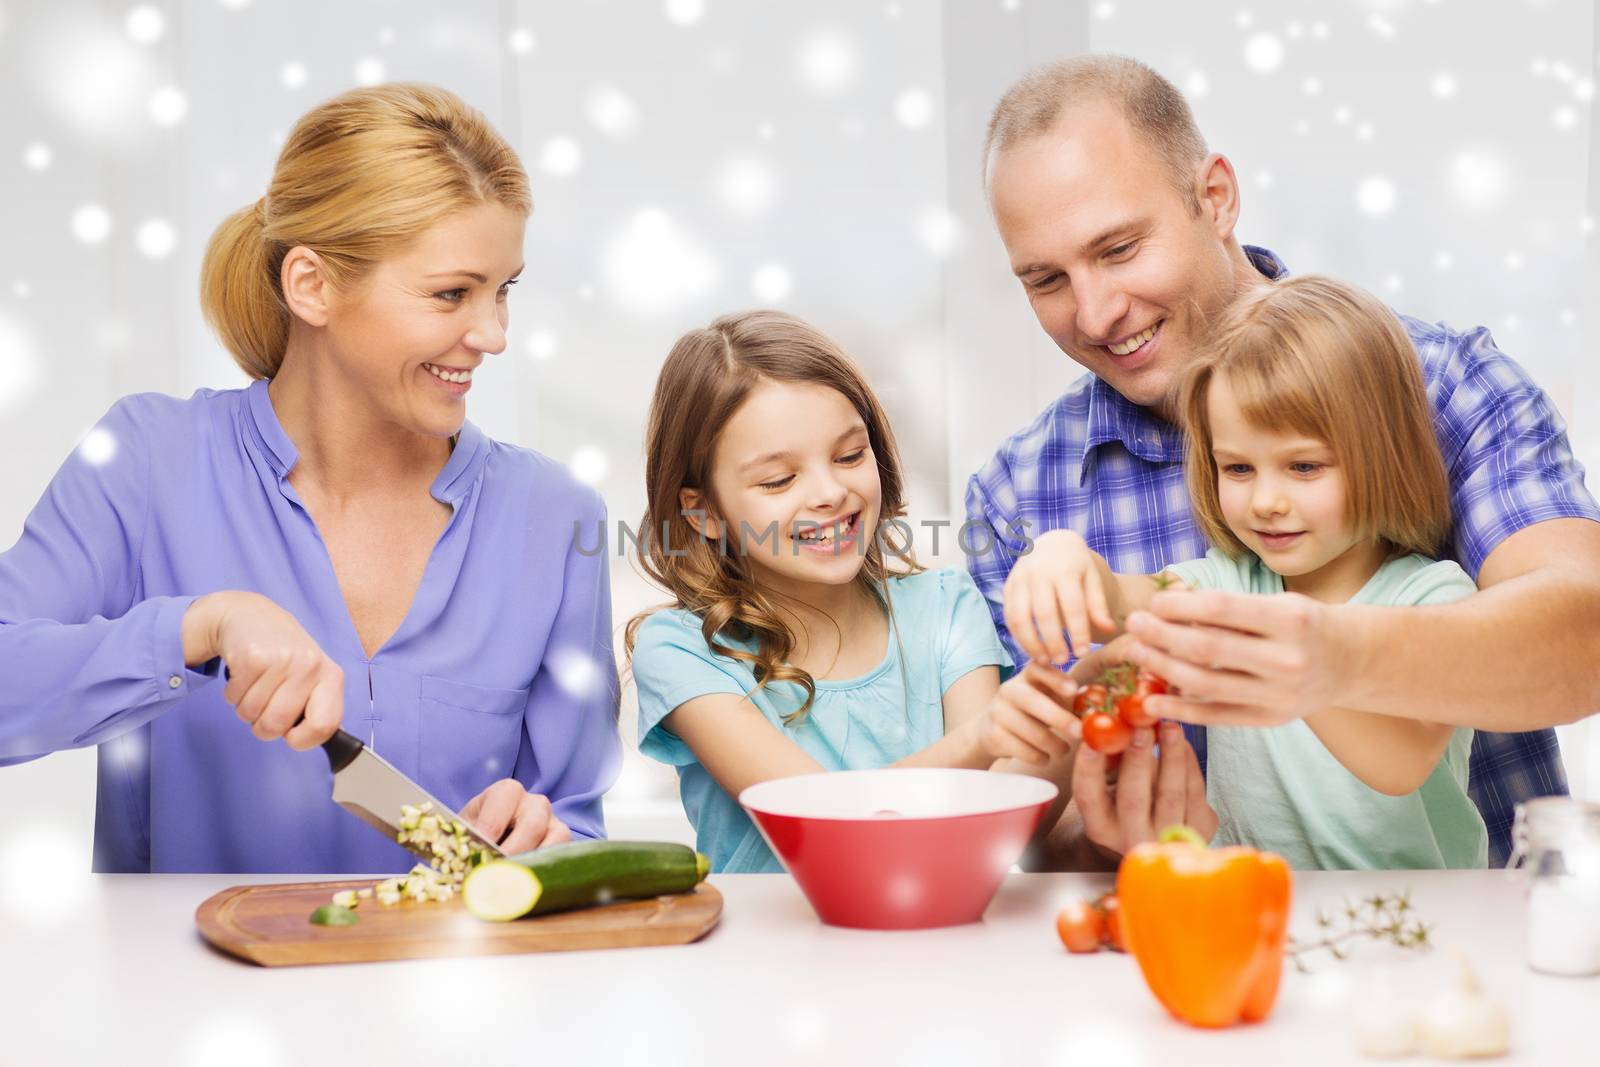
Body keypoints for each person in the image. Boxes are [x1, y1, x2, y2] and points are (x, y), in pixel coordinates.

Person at [966, 55, 1600, 867]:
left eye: (1120, 248)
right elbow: (1016, 830)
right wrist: (1104, 842)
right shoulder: (1018, 492)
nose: (1095, 313)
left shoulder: (1440, 384)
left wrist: (1335, 657)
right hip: (1213, 936)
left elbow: (1584, 640)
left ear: (1216, 197)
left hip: (1472, 943)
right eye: (1046, 279)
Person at [0, 84, 620, 872]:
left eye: (505, 292)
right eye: (451, 294)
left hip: (461, 987)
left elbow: (577, 826)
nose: (492, 334)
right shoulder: (148, 461)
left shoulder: (554, 518)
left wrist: (546, 836)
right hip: (182, 992)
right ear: (313, 286)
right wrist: (199, 625)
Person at [1007, 275, 1486, 868]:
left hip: (1406, 921)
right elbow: (1119, 601)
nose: (1265, 501)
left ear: (1385, 453)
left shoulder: (1434, 597)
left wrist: (1285, 651)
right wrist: (1059, 554)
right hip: (1254, 910)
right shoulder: (1229, 583)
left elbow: (1401, 762)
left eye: (1304, 466)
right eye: (1237, 469)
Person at [627, 310, 1080, 873]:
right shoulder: (682, 651)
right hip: (765, 956)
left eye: (849, 456)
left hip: (938, 943)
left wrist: (1070, 710)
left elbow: (998, 823)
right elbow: (823, 824)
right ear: (705, 512)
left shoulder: (946, 608)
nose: (830, 492)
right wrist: (986, 738)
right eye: (778, 480)